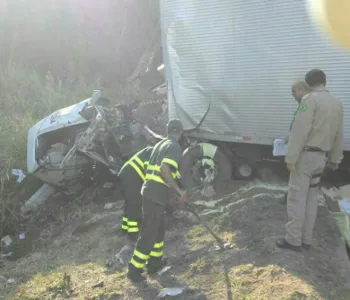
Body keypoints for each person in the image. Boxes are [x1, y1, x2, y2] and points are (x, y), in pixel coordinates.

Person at [277, 69, 344, 251]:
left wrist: (290, 158)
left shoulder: (308, 102)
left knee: (297, 198)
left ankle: (293, 240)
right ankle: (306, 239)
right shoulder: (337, 103)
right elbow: (339, 135)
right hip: (321, 158)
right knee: (312, 198)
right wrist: (335, 159)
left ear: (308, 83)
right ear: (324, 81)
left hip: (305, 158)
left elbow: (299, 132)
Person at [127, 119, 187, 283]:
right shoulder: (174, 146)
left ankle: (154, 264)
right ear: (180, 133)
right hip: (154, 195)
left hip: (152, 193)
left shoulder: (160, 145)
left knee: (159, 230)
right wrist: (178, 191)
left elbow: (158, 171)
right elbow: (164, 170)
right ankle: (133, 270)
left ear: (168, 131)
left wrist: (174, 190)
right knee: (149, 232)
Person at [281, 81, 311, 204]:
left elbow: (301, 129)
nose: (292, 95)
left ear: (300, 90)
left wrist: (291, 160)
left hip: (304, 150)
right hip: (310, 149)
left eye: (293, 91)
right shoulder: (309, 103)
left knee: (298, 182)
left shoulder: (306, 104)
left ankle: (295, 210)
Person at [118, 146, 153, 241]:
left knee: (129, 203)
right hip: (130, 175)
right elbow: (147, 169)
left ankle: (125, 228)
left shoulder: (152, 151)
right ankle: (133, 233)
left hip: (128, 174)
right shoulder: (152, 151)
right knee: (135, 203)